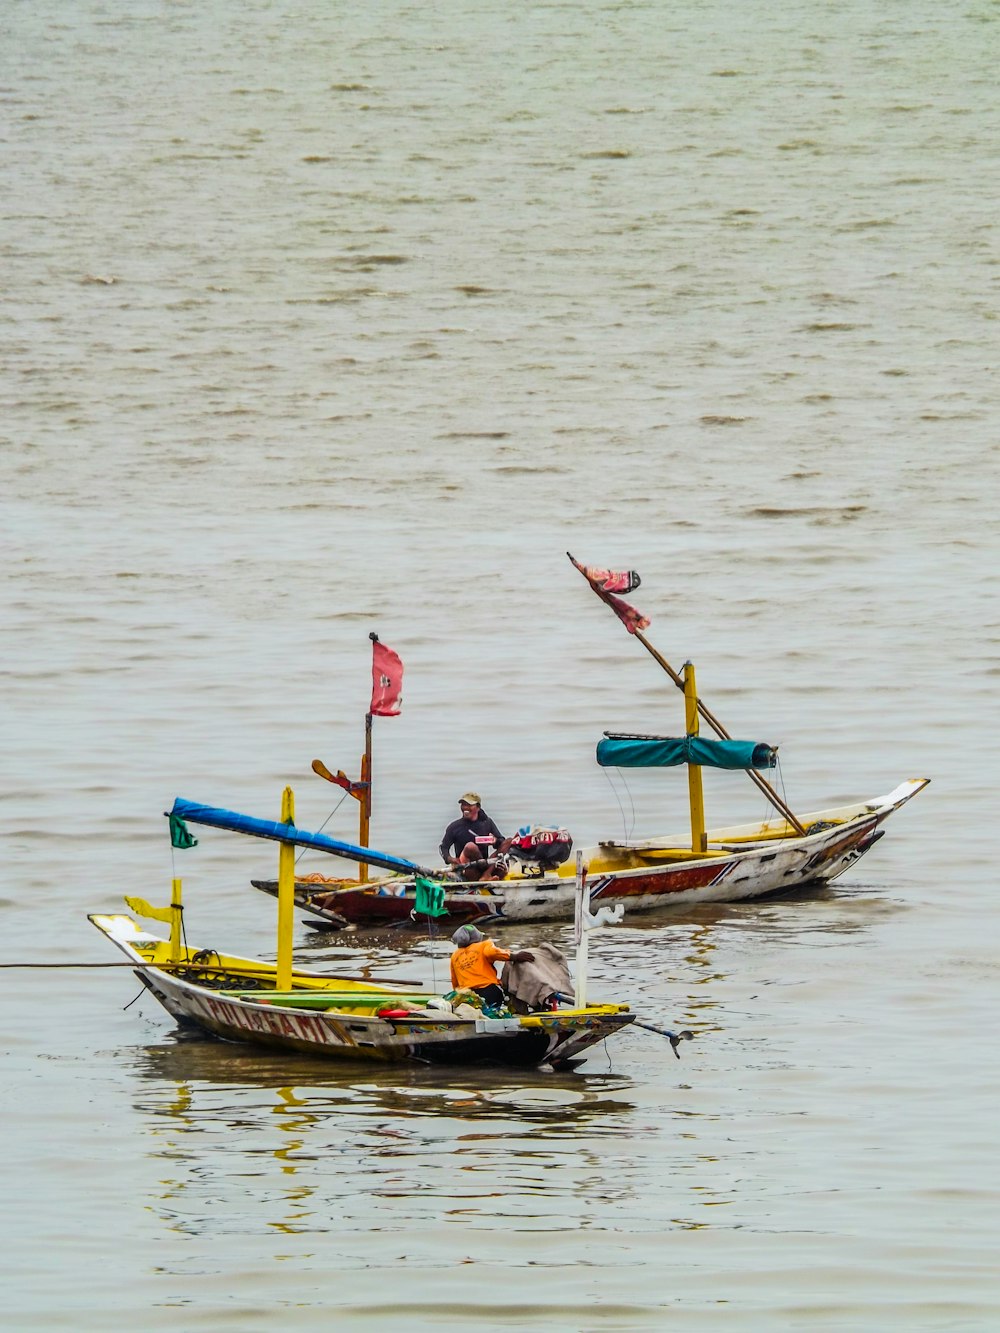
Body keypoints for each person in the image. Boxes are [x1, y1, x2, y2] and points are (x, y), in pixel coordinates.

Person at [449, 925, 534, 1009]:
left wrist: (457, 996)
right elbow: (492, 953)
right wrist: (513, 956)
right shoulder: (484, 945)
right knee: (495, 1008)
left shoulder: (454, 956)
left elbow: (455, 981)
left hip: (467, 995)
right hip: (489, 991)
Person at [439, 792, 513, 881]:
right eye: (463, 805)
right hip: (468, 868)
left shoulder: (487, 823)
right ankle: (485, 877)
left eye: (469, 805)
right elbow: (443, 847)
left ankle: (486, 875)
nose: (465, 808)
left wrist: (495, 841)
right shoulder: (454, 827)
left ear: (478, 807)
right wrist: (450, 859)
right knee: (470, 847)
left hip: (486, 866)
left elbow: (501, 843)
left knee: (509, 841)